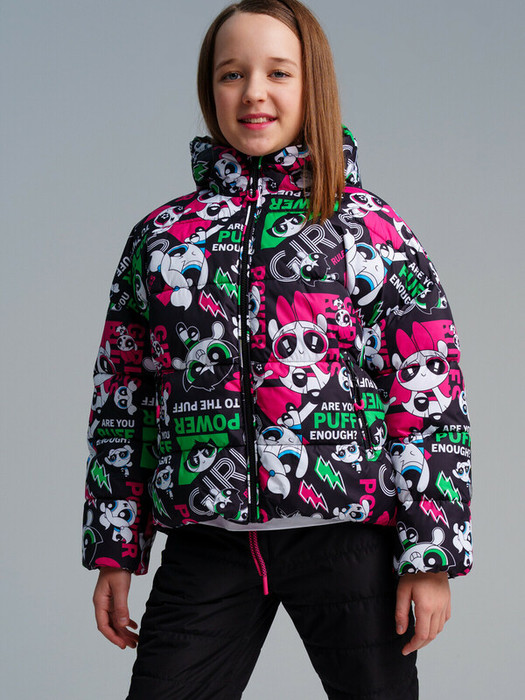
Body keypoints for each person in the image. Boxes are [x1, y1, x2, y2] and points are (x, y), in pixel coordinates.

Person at [82, 1, 472, 698]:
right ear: (210, 89)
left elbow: (428, 397)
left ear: (312, 84)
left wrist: (430, 554)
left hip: (347, 536)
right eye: (231, 74)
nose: (253, 93)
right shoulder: (162, 239)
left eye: (278, 73)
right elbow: (123, 395)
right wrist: (116, 547)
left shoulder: (370, 231)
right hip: (209, 541)